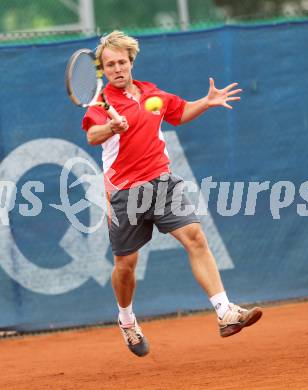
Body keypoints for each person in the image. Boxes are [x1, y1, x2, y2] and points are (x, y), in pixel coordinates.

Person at [82, 31, 262, 357]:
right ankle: (126, 319)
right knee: (126, 265)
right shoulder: (100, 104)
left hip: (162, 182)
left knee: (195, 236)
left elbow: (178, 112)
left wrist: (205, 103)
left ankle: (224, 312)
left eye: (122, 62)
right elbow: (93, 134)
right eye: (110, 65)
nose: (117, 69)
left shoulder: (151, 92)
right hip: (126, 193)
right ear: (103, 69)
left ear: (131, 62)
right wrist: (112, 128)